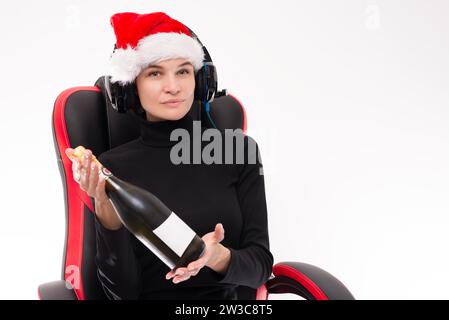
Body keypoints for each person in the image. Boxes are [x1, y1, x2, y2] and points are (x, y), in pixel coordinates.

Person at [65, 11, 273, 300]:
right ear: (130, 87)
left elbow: (261, 267)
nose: (173, 87)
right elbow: (122, 294)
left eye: (183, 71)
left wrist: (216, 257)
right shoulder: (111, 169)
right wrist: (106, 211)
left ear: (201, 81)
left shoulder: (238, 152)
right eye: (154, 73)